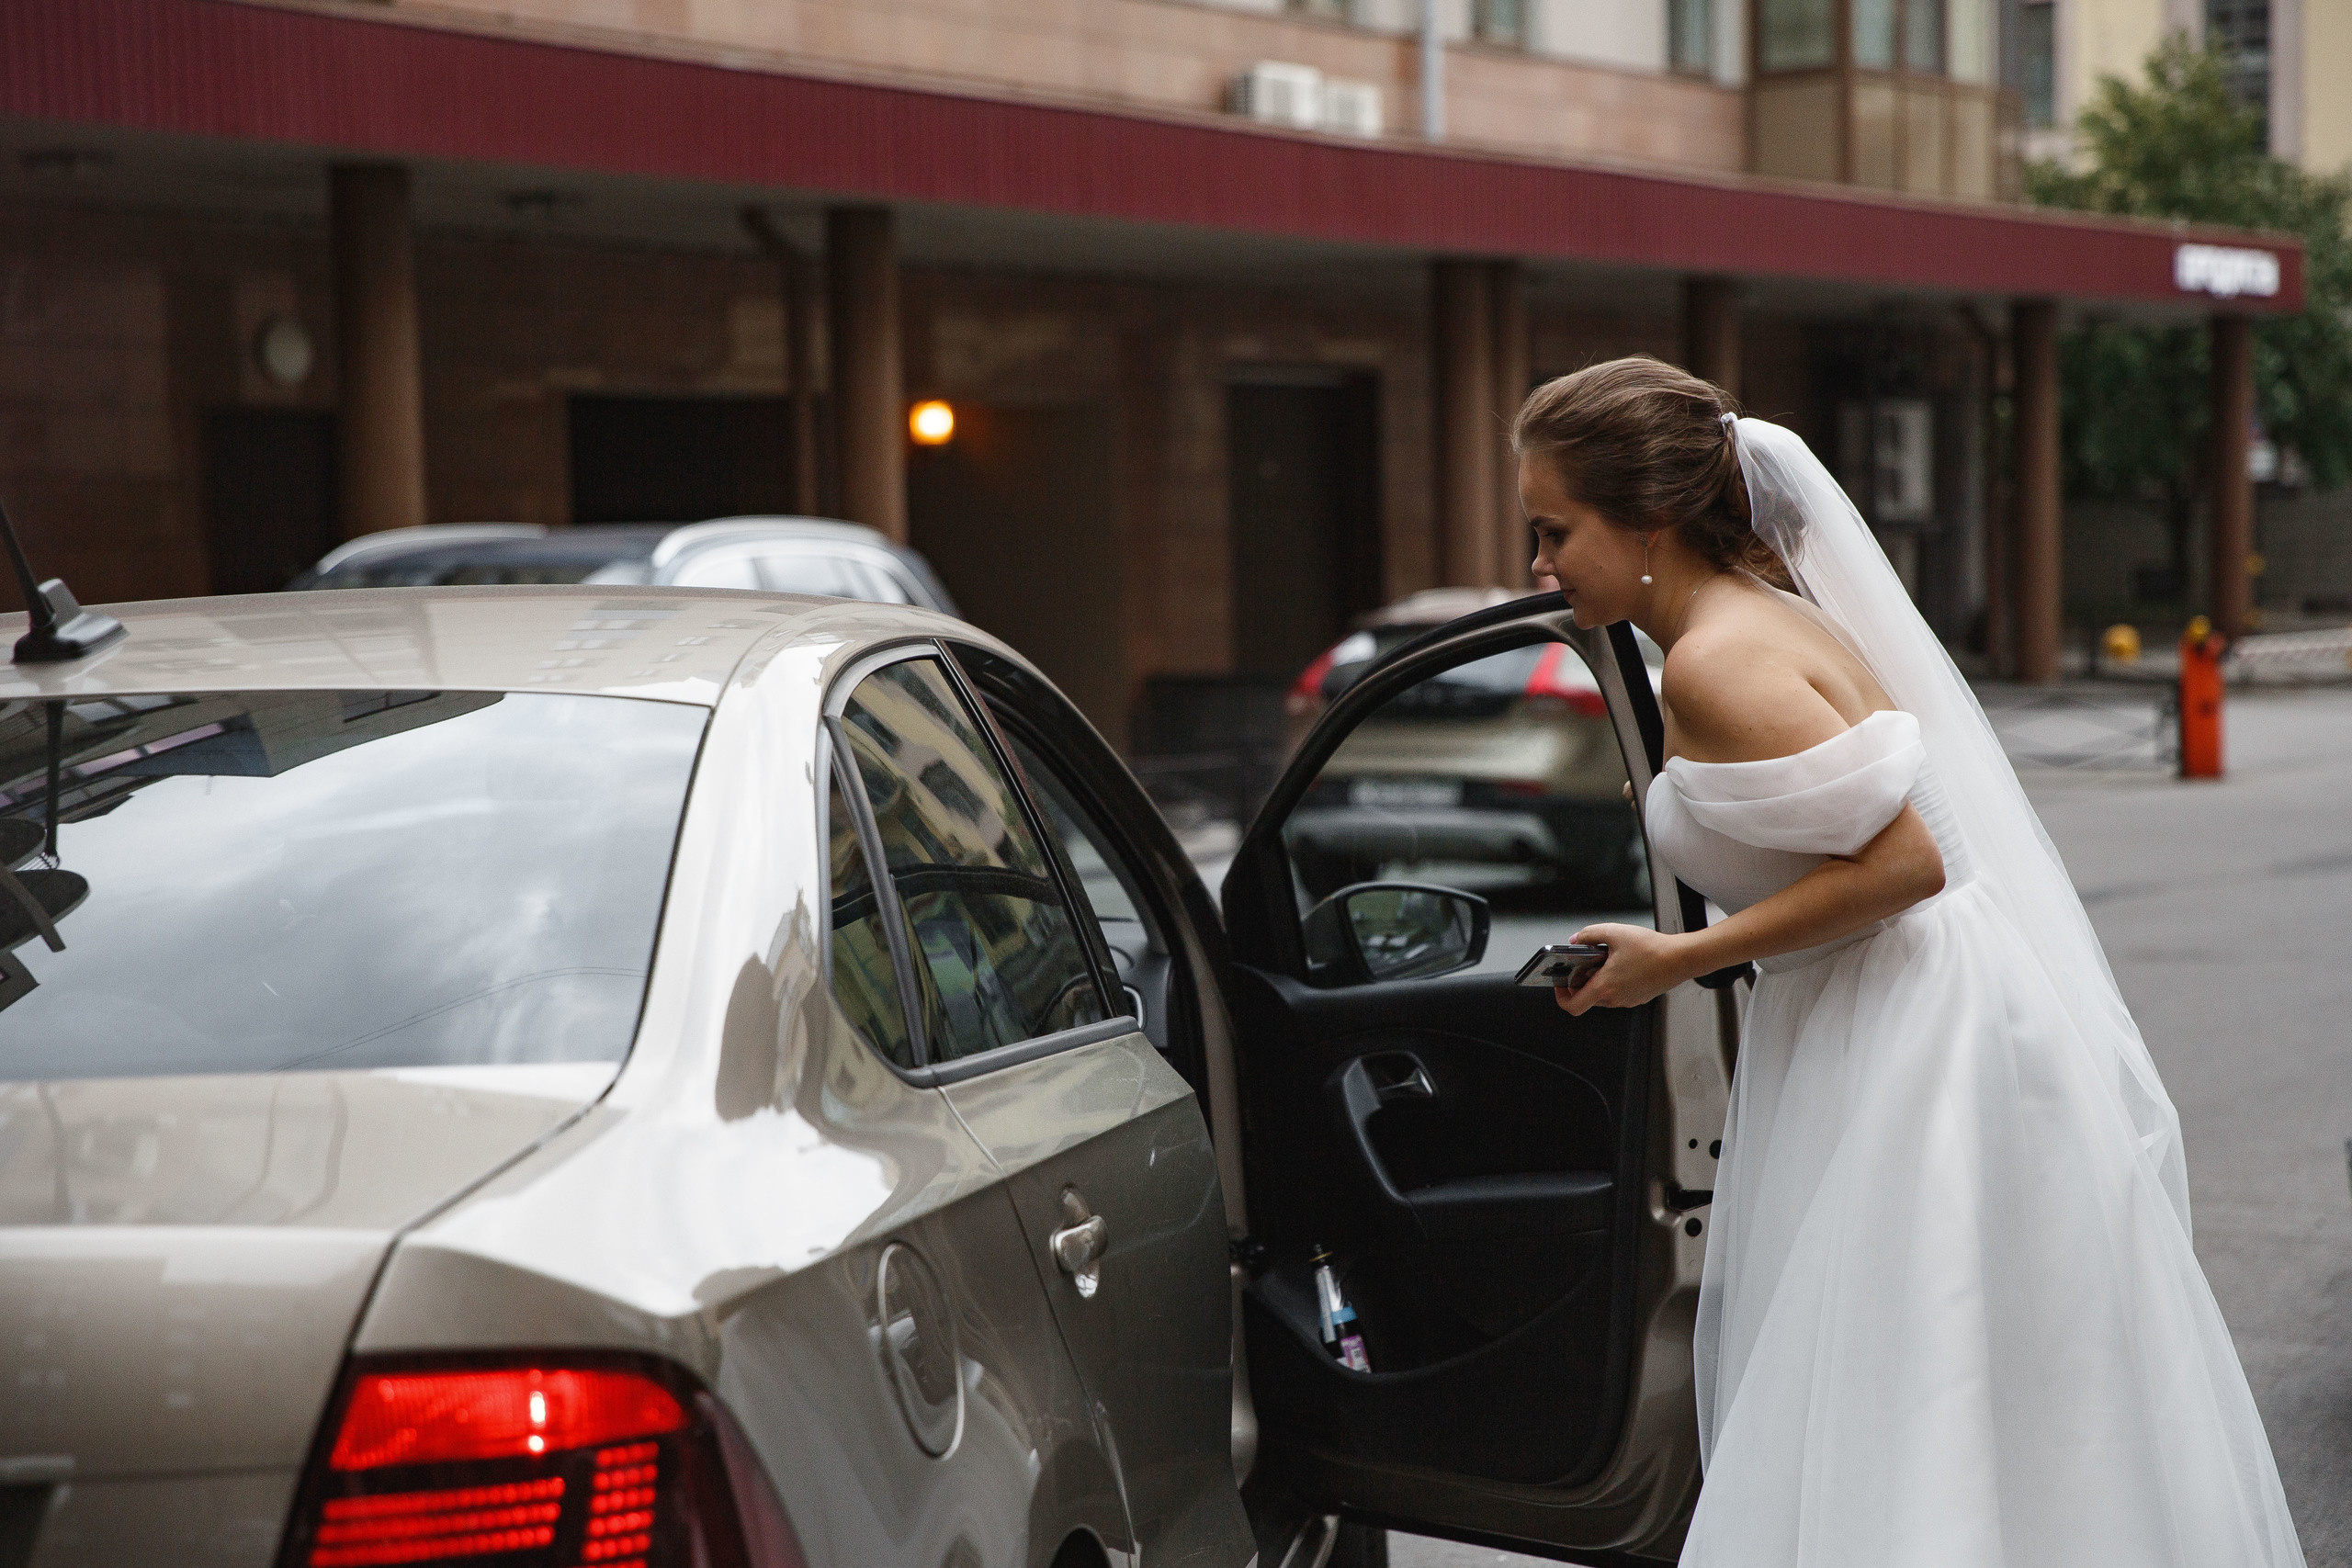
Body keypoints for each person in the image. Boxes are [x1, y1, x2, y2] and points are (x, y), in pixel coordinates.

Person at [1517, 356, 2303, 1566]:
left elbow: (1905, 864)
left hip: (1909, 1033)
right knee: (1992, 1388)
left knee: (1911, 1375)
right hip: (1921, 1010)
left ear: (1650, 522)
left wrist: (1679, 956)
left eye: (1554, 529)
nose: (1539, 565)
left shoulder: (1719, 663)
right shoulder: (1762, 620)